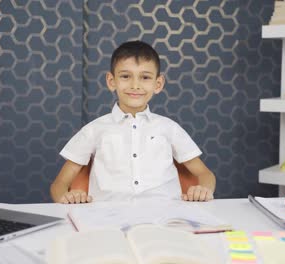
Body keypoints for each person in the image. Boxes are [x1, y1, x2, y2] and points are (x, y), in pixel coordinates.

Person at [50, 41, 216, 204]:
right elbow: (59, 184)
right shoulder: (94, 129)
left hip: (165, 216)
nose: (135, 85)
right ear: (111, 81)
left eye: (145, 77)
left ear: (158, 84)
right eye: (125, 76)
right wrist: (66, 197)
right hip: (107, 218)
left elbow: (205, 174)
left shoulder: (169, 128)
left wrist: (203, 189)